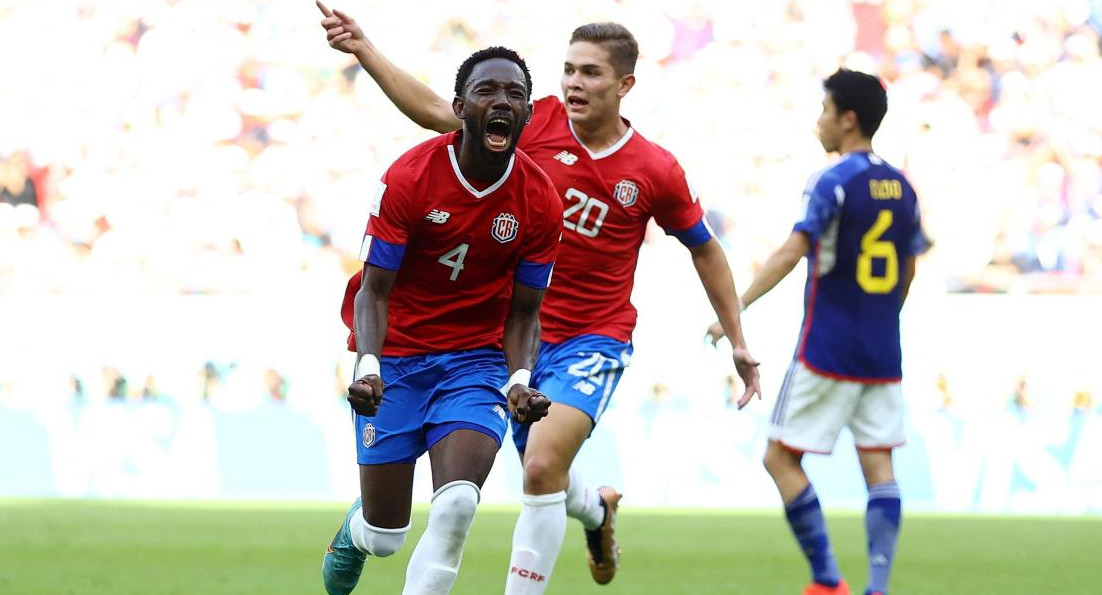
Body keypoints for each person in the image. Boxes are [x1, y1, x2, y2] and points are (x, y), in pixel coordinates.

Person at [316, 4, 762, 593]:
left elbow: (705, 249)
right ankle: (596, 511)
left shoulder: (654, 169)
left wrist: (737, 337)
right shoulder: (526, 121)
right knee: (470, 500)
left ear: (625, 84)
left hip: (584, 336)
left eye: (592, 73)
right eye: (569, 70)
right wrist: (364, 48)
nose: (574, 83)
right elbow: (438, 112)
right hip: (500, 333)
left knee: (534, 469)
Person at [321, 45, 562, 595]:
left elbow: (526, 312)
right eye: (486, 91)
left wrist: (521, 381)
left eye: (515, 95)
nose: (502, 102)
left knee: (455, 505)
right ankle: (355, 531)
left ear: (527, 114)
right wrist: (369, 366)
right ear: (459, 107)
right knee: (385, 536)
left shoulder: (541, 201)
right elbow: (373, 291)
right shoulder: (408, 177)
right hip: (398, 357)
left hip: (474, 362)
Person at [708, 69, 931, 595]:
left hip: (827, 349)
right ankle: (878, 586)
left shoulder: (832, 181)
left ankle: (827, 580)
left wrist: (732, 310)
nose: (818, 122)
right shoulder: (902, 187)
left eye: (824, 110)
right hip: (882, 352)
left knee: (779, 457)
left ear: (847, 119)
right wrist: (884, 316)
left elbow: (793, 249)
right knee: (879, 464)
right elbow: (910, 266)